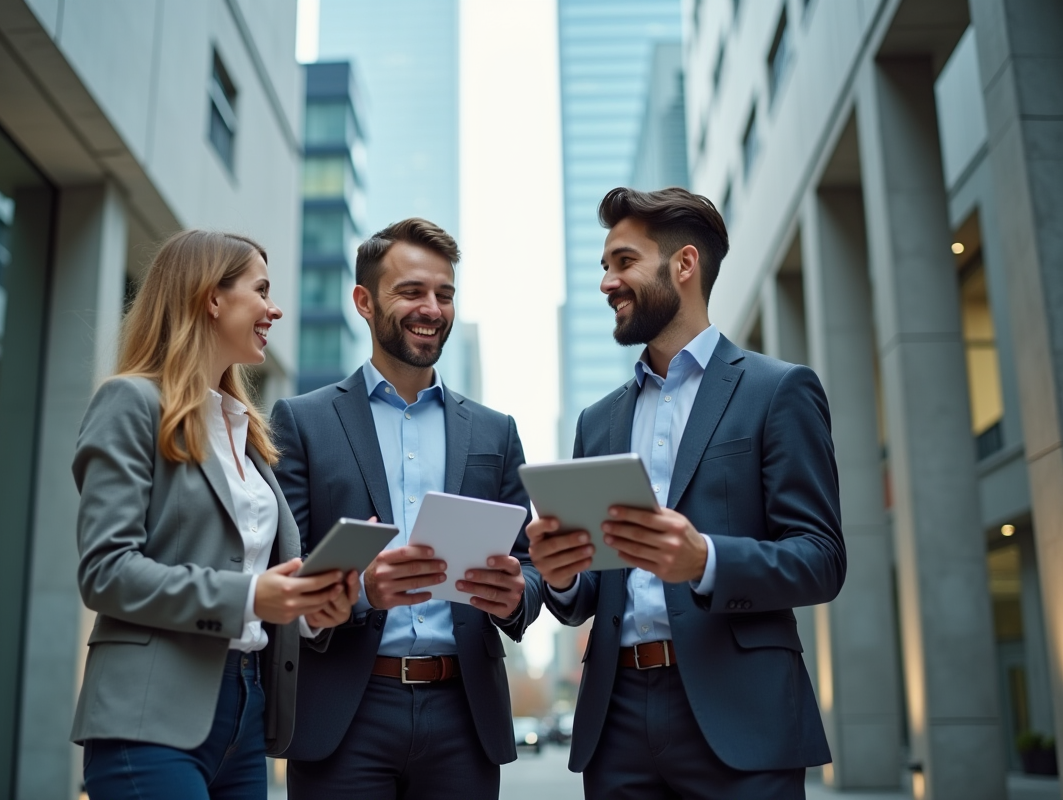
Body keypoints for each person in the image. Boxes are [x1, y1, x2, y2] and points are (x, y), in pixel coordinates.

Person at [527, 187, 846, 799]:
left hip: (741, 713)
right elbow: (587, 591)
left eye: (624, 262)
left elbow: (821, 559)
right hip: (616, 722)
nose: (607, 283)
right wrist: (562, 574)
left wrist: (706, 560)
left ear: (684, 264)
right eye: (604, 266)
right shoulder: (598, 422)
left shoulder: (778, 391)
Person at [71, 230, 359, 799]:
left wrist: (310, 608)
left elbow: (256, 577)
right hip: (149, 714)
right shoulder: (131, 403)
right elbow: (106, 572)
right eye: (262, 290)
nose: (275, 309)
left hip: (246, 714)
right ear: (212, 298)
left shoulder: (246, 435)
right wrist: (251, 596)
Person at [270, 217, 544, 799]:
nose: (432, 309)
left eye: (445, 294)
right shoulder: (302, 422)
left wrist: (519, 595)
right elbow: (279, 576)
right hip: (345, 712)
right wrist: (360, 590)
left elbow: (530, 563)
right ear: (364, 302)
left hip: (464, 715)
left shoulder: (495, 431)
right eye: (412, 291)